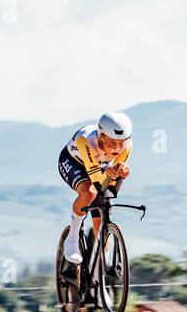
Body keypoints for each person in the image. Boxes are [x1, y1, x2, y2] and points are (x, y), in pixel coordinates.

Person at [57, 111, 133, 267]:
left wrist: (121, 175)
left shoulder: (127, 145)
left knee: (104, 210)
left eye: (121, 143)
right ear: (101, 137)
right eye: (112, 143)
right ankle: (72, 238)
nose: (117, 148)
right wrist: (110, 174)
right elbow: (97, 181)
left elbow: (111, 187)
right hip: (74, 163)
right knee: (89, 192)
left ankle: (98, 268)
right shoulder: (86, 140)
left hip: (100, 167)